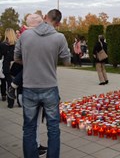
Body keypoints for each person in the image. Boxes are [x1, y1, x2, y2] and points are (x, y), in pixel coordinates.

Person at [14, 9, 71, 158]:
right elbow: (67, 61)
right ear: (58, 23)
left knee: (29, 128)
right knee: (53, 128)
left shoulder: (25, 35)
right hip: (49, 87)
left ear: (45, 17)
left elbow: (17, 57)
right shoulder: (59, 37)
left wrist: (30, 61)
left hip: (29, 87)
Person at [0, 28, 19, 108]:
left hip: (6, 66)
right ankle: (20, 101)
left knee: (9, 84)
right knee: (17, 84)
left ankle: (10, 103)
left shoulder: (2, 45)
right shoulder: (17, 44)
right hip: (16, 66)